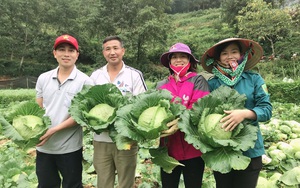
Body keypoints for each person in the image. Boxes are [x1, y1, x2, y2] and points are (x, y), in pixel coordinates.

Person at [201, 38, 272, 188]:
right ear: (218, 59)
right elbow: (202, 112)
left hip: (250, 150)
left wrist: (245, 114)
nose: (229, 56)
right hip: (221, 150)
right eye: (224, 53)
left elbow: (266, 110)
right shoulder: (212, 84)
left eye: (234, 51)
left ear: (242, 55)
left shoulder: (254, 79)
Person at [35, 34, 94, 188]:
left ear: (77, 55)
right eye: (61, 49)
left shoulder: (85, 82)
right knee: (46, 185)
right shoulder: (43, 78)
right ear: (55, 53)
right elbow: (38, 108)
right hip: (44, 146)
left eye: (71, 50)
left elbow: (81, 115)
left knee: (72, 185)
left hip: (70, 147)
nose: (66, 54)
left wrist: (54, 129)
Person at [90, 35, 147, 188]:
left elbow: (142, 105)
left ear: (123, 51)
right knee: (103, 182)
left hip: (126, 139)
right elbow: (86, 104)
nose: (112, 52)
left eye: (115, 48)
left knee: (126, 182)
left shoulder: (134, 75)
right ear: (103, 53)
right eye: (108, 49)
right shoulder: (95, 76)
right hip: (101, 139)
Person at [156, 43, 210, 187]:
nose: (178, 60)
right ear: (169, 62)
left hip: (193, 148)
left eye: (183, 57)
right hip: (168, 149)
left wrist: (180, 122)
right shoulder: (161, 85)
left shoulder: (198, 80)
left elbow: (199, 108)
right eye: (174, 57)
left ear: (190, 61)